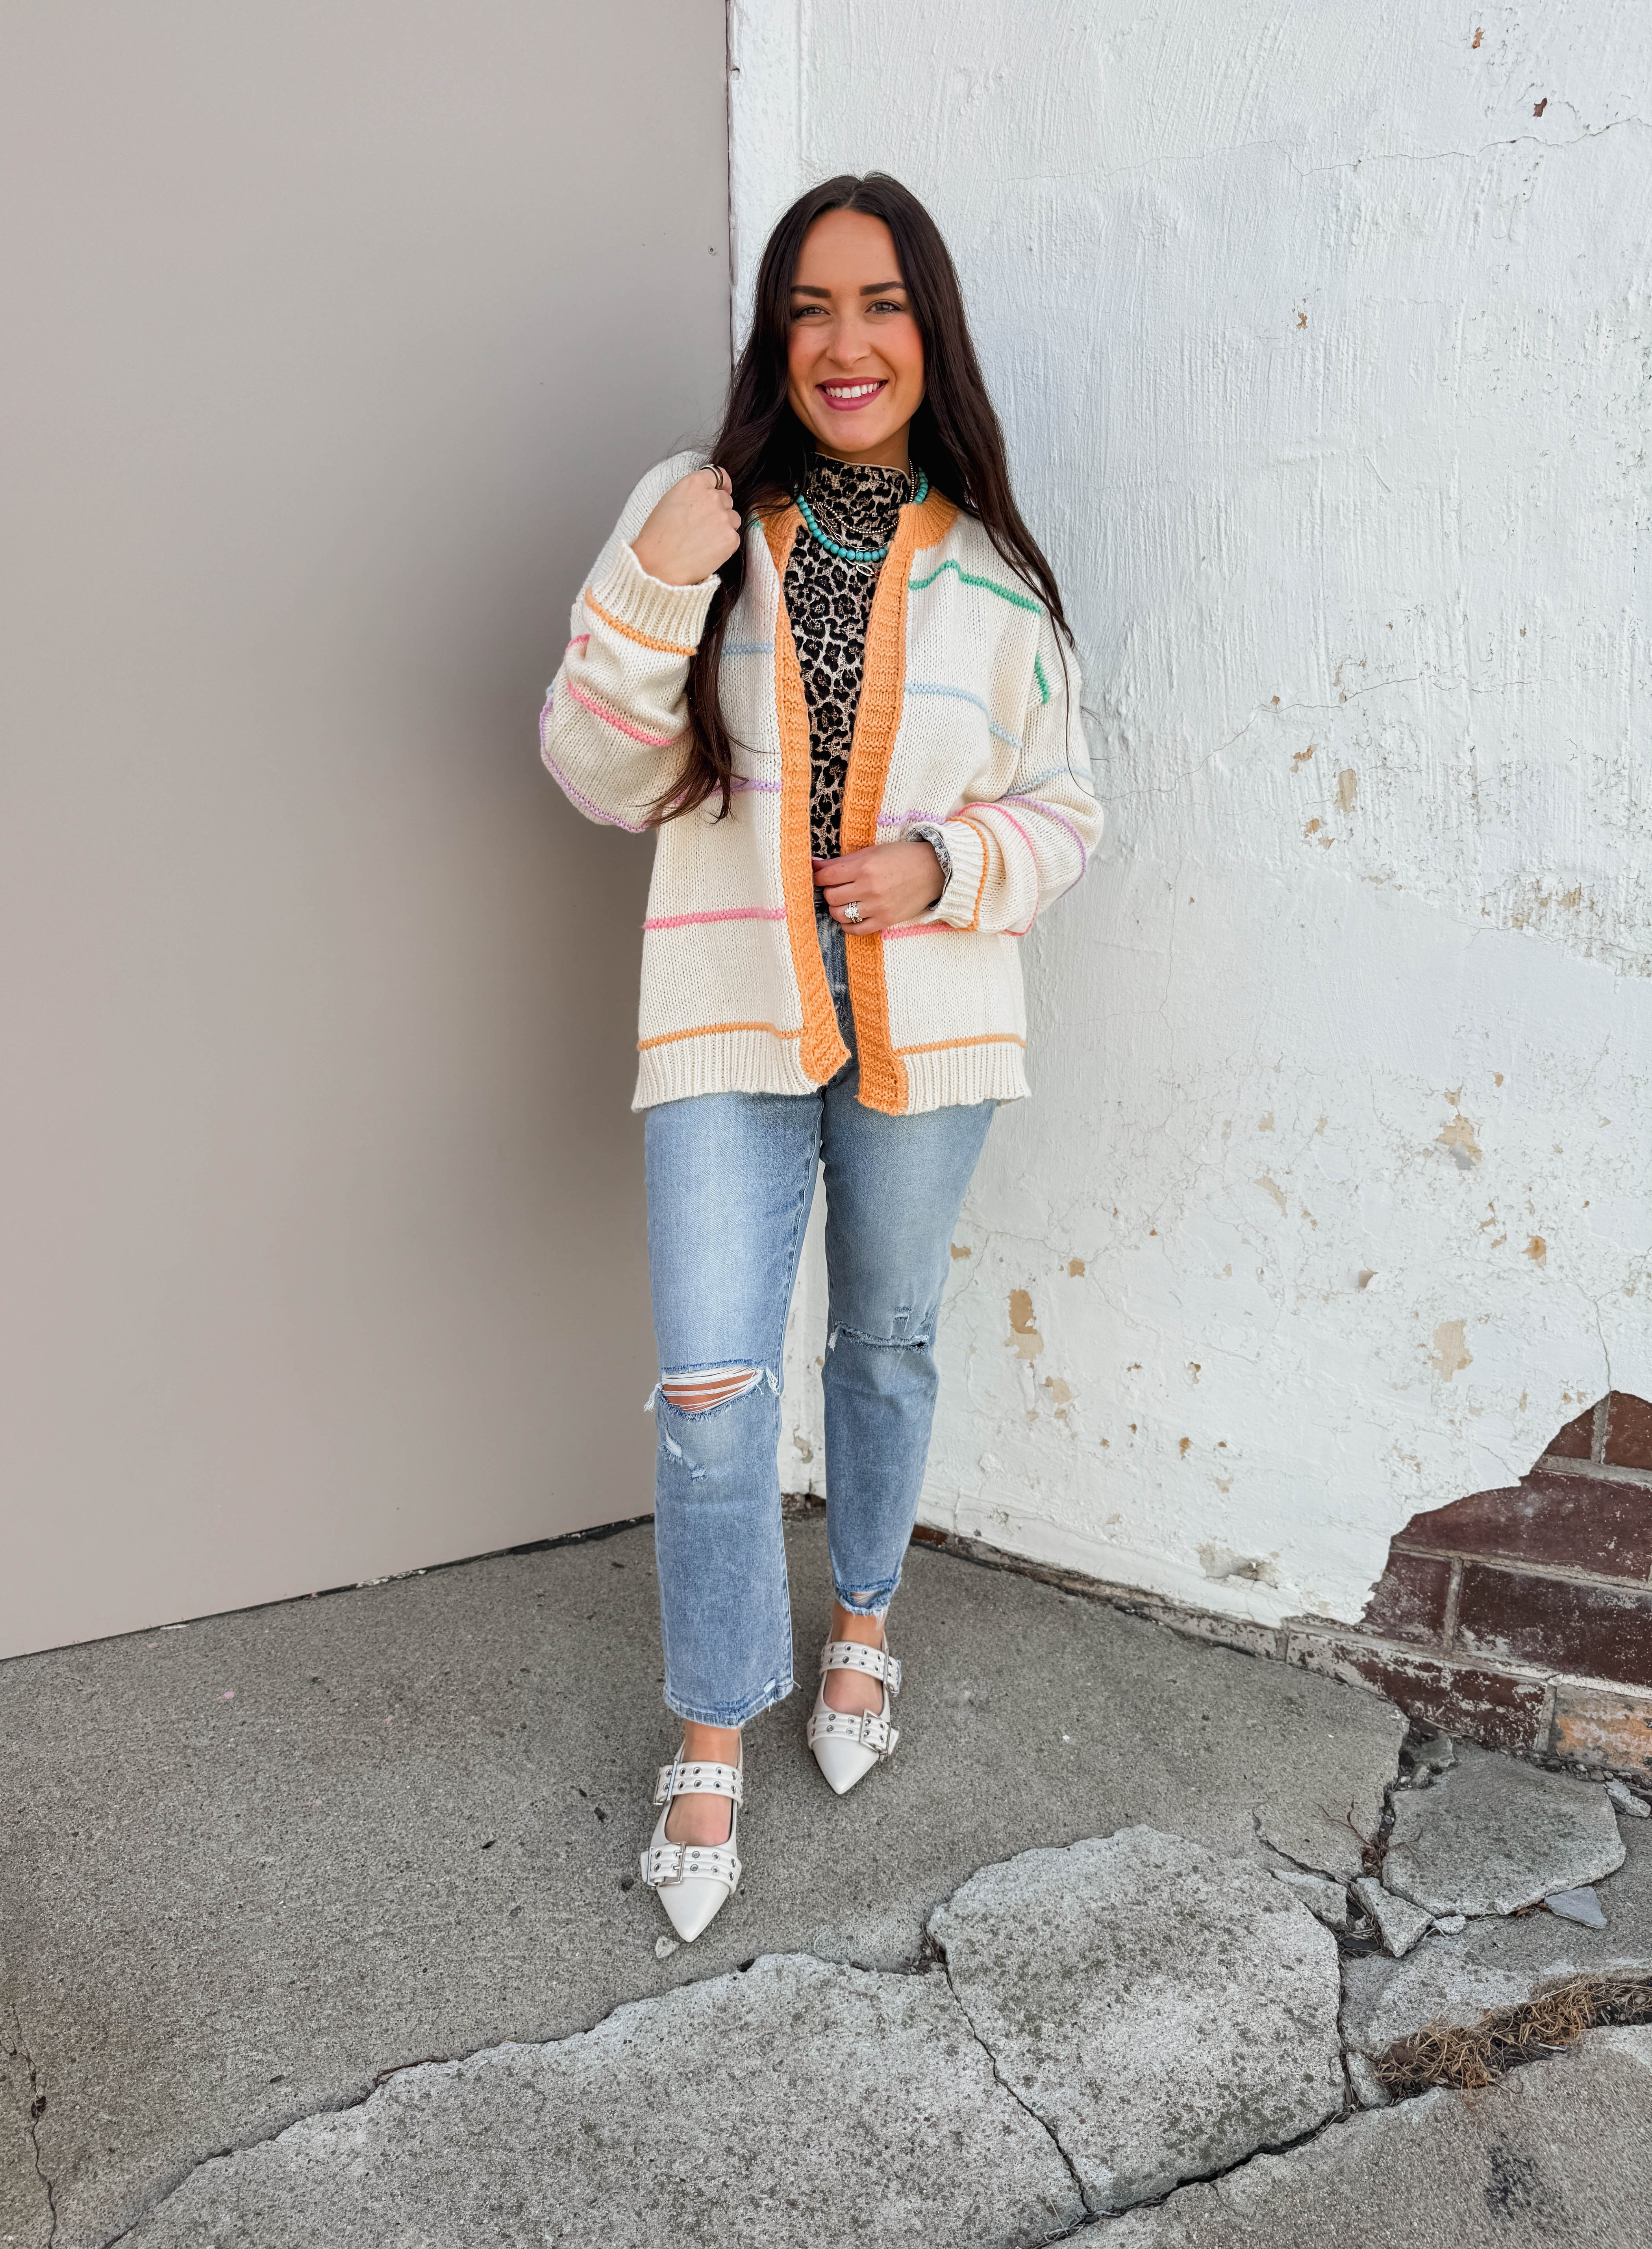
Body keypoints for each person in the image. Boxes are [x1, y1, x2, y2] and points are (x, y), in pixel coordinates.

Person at [539, 172, 1103, 1941]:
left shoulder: (995, 577)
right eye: (808, 308)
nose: (843, 343)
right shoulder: (699, 514)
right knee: (711, 1392)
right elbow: (595, 769)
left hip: (926, 1032)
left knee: (886, 1343)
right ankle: (710, 1733)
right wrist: (654, 583)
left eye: (879, 305)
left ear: (929, 334)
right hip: (727, 1015)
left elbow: (1068, 810)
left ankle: (862, 1629)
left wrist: (945, 867)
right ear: (774, 339)